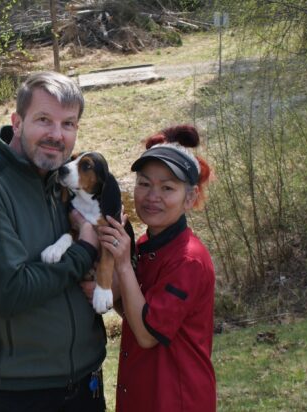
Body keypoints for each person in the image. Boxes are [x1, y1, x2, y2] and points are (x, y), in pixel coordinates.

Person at [0, 71, 107, 412]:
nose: (56, 135)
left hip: (88, 385)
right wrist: (85, 250)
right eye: (44, 120)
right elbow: (9, 292)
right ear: (17, 122)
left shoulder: (61, 184)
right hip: (23, 396)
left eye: (68, 124)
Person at [98, 125, 216, 411]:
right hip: (142, 393)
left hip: (175, 399)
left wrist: (124, 265)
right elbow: (134, 313)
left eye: (167, 188)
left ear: (190, 198)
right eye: (144, 183)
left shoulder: (188, 260)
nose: (152, 196)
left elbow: (147, 335)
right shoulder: (147, 245)